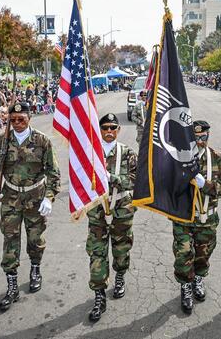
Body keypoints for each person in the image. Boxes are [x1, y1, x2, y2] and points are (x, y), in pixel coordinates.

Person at [0, 102, 61, 312]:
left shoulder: (41, 141)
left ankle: (35, 269)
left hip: (35, 198)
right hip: (10, 197)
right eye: (13, 119)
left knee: (36, 239)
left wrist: (49, 197)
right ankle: (12, 285)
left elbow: (53, 172)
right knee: (10, 239)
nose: (17, 123)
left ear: (30, 118)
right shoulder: (3, 140)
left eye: (22, 119)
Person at [173, 120, 221, 314]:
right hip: (184, 218)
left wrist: (205, 185)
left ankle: (198, 279)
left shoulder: (217, 158)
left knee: (203, 255)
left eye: (203, 136)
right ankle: (185, 286)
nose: (200, 140)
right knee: (183, 255)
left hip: (207, 218)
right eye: (196, 137)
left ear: (208, 135)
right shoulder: (178, 157)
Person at [86, 113, 137, 322]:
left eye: (113, 128)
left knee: (121, 249)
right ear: (100, 130)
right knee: (97, 253)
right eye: (105, 127)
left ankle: (120, 276)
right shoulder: (90, 154)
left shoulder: (127, 153)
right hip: (97, 211)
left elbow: (135, 179)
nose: (108, 131)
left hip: (121, 211)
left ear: (118, 130)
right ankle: (99, 295)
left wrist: (112, 178)